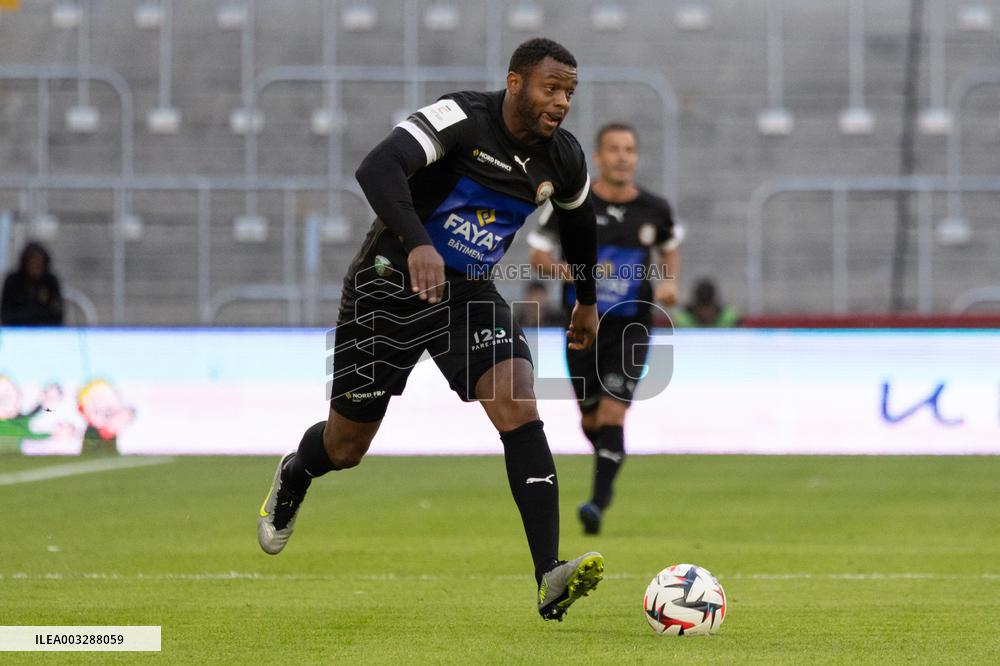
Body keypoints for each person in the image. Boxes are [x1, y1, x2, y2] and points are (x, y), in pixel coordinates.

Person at [257, 38, 605, 622]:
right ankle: (297, 471)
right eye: (551, 88)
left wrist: (587, 302)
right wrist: (418, 242)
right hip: (390, 280)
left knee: (519, 403)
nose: (562, 102)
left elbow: (580, 221)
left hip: (467, 295)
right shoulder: (462, 118)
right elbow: (377, 166)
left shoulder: (563, 156)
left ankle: (549, 574)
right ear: (515, 83)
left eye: (569, 92)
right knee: (346, 447)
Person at [528, 122, 683, 535]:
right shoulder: (572, 201)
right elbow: (538, 254)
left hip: (631, 328)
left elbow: (669, 248)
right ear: (597, 156)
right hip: (583, 324)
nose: (622, 157)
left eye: (629, 149)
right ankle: (609, 460)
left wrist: (669, 282)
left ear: (636, 157)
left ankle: (596, 503)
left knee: (614, 412)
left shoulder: (654, 209)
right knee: (591, 420)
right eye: (613, 149)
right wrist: (576, 275)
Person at [1, 242, 64, 326]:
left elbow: (56, 314)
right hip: (17, 329)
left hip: (44, 330)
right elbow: (6, 314)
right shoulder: (13, 281)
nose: (35, 266)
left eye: (39, 263)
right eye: (32, 262)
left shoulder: (50, 282)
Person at [672, 278, 741, 328]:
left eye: (708, 307)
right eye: (701, 307)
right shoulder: (682, 320)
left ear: (715, 305)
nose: (705, 313)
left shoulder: (728, 318)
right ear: (695, 306)